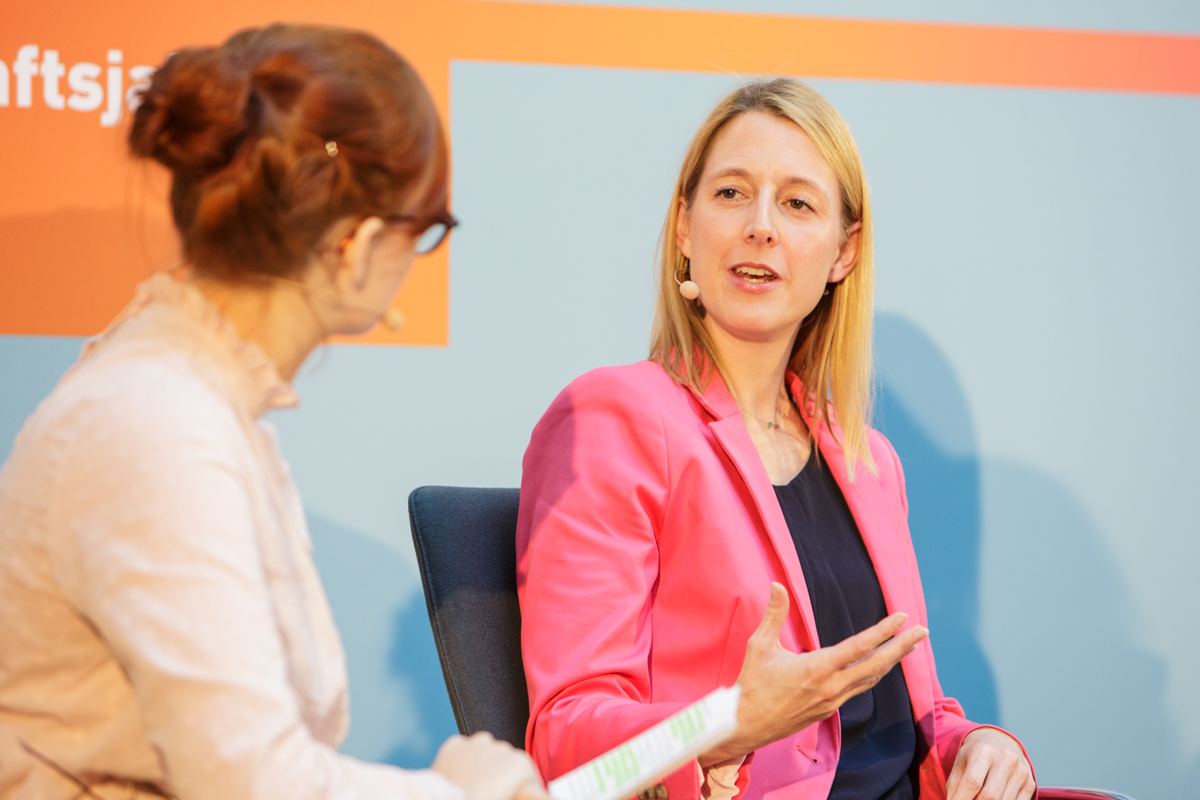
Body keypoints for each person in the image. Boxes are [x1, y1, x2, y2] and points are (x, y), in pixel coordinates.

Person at [0, 25, 544, 800]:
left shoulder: (181, 401)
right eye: (425, 231)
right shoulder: (159, 429)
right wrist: (459, 792)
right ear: (359, 245)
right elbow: (253, 780)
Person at [516, 79, 1037, 800]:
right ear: (683, 228)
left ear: (843, 253)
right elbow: (566, 746)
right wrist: (724, 726)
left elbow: (911, 720)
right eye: (731, 193)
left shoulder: (868, 460)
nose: (760, 226)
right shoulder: (614, 418)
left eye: (797, 204)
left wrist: (974, 744)